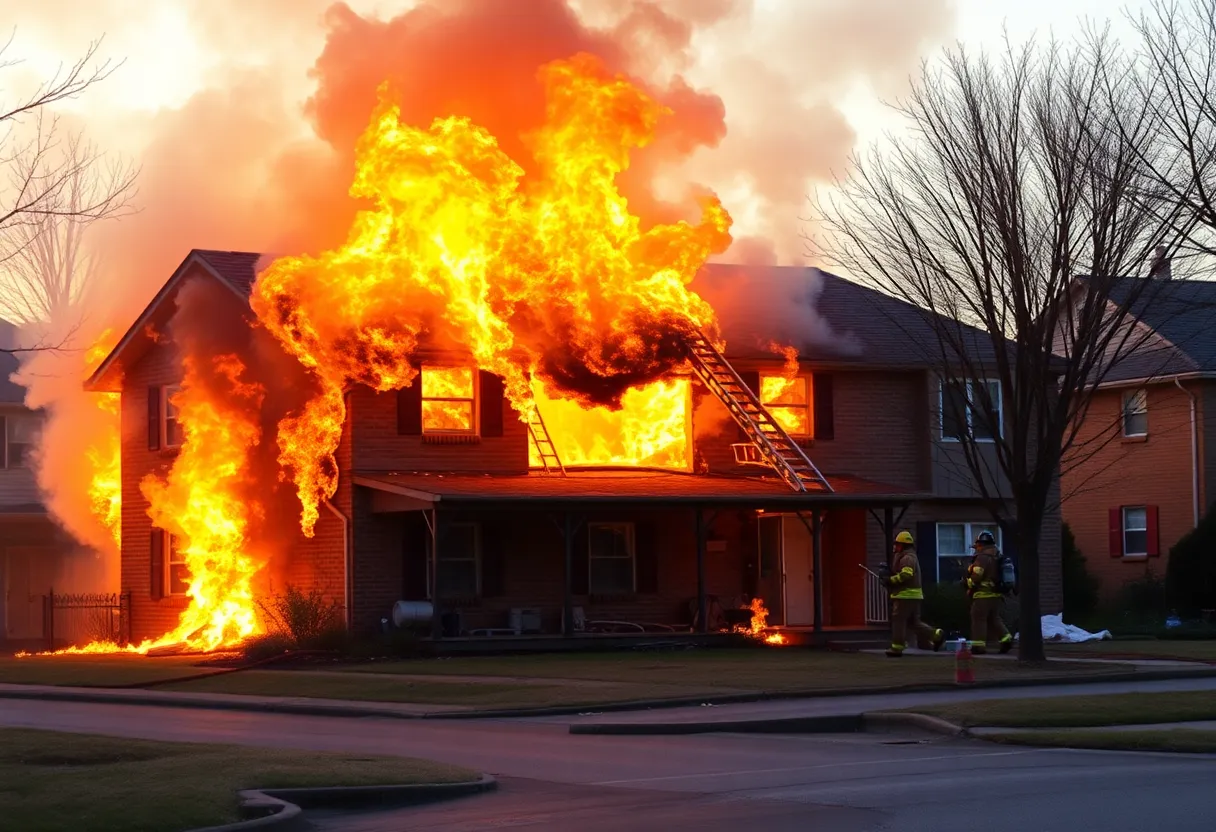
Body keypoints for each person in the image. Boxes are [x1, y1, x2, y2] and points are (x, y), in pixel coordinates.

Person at [885, 530, 945, 657]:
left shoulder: (907, 557)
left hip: (905, 595)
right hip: (913, 596)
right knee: (914, 623)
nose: (895, 547)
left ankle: (897, 647)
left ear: (904, 545)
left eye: (898, 544)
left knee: (898, 620)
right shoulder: (908, 556)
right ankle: (936, 635)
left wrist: (890, 580)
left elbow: (906, 574)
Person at [966, 530, 1014, 654]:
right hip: (996, 595)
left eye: (977, 546)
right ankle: (1006, 639)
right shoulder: (997, 555)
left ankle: (978, 646)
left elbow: (977, 576)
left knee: (978, 619)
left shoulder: (982, 558)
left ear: (981, 544)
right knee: (994, 618)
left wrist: (968, 581)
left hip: (983, 595)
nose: (976, 549)